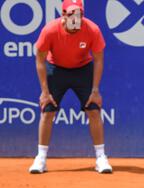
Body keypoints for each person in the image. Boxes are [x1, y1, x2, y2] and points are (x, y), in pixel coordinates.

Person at [29, 0, 112, 174]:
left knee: (94, 109)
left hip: (83, 69)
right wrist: (44, 91)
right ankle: (41, 158)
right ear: (63, 16)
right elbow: (40, 60)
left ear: (82, 15)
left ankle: (101, 157)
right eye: (71, 15)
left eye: (79, 15)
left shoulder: (92, 30)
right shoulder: (50, 30)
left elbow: (98, 60)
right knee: (48, 110)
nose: (76, 20)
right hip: (56, 69)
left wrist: (95, 90)